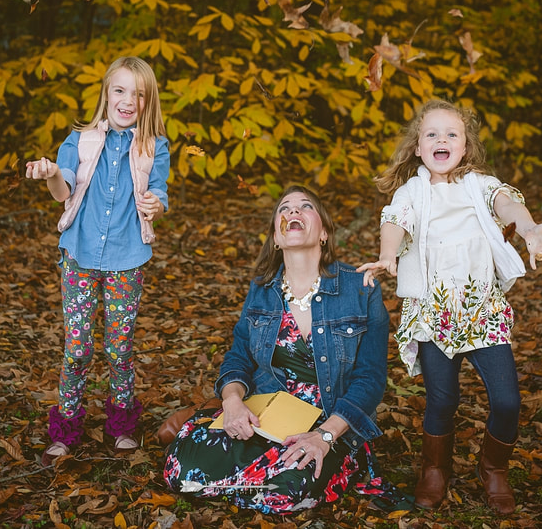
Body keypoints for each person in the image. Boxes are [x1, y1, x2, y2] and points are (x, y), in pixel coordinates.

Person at [357, 99, 542, 514]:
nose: (442, 139)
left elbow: (509, 204)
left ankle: (494, 469)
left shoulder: (481, 186)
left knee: (507, 401)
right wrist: (388, 255)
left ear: (466, 146)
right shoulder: (412, 192)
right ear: (417, 148)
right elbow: (394, 221)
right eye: (431, 134)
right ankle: (434, 471)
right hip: (435, 315)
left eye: (452, 134)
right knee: (442, 400)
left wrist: (528, 229)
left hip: (481, 310)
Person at [162, 186, 411, 515]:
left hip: (329, 425)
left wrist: (324, 436)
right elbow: (239, 357)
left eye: (306, 207)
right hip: (264, 417)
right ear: (276, 239)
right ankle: (252, 475)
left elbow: (371, 378)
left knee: (288, 491)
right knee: (178, 469)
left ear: (322, 232)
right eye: (285, 209)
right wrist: (233, 403)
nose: (293, 212)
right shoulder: (262, 290)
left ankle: (258, 478)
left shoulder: (359, 286)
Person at [25, 56, 170, 464]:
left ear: (148, 102)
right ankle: (67, 425)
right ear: (106, 93)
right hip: (80, 257)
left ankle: (121, 425)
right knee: (78, 346)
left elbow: (160, 191)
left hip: (128, 259)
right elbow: (62, 189)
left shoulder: (154, 145)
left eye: (138, 94)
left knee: (119, 346)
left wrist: (156, 203)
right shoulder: (80, 140)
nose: (128, 101)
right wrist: (52, 172)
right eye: (120, 90)